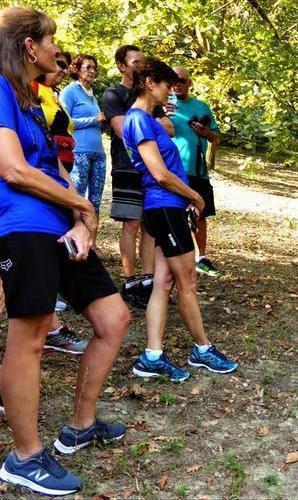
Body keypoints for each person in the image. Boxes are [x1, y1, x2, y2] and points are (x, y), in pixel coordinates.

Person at [0, 7, 131, 496]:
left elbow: (53, 169)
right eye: (52, 40)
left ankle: (80, 424)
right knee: (30, 335)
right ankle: (25, 456)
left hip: (61, 226)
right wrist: (84, 205)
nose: (59, 50)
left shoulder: (32, 99)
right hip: (21, 226)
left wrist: (82, 216)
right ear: (30, 46)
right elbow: (12, 169)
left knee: (114, 318)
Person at [122, 57, 237, 382]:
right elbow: (159, 174)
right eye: (165, 85)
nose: (170, 92)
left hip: (165, 208)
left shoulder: (147, 120)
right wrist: (194, 195)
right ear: (149, 83)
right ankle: (202, 350)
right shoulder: (140, 120)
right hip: (166, 208)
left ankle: (152, 356)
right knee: (187, 281)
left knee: (164, 282)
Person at [102, 45, 173, 309]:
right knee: (131, 224)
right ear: (121, 65)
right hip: (127, 167)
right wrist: (151, 123)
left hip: (150, 169)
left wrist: (150, 123)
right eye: (135, 62)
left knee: (149, 226)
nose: (140, 66)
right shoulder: (113, 94)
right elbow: (123, 131)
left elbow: (171, 128)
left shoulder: (148, 97)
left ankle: (148, 279)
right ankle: (129, 280)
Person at [32, 50, 89, 355]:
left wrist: (75, 200)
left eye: (65, 65)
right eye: (59, 63)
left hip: (57, 177)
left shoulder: (52, 98)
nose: (62, 69)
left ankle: (51, 327)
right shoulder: (24, 93)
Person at [171, 66, 222, 277]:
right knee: (173, 213)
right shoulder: (162, 104)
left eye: (182, 80)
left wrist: (206, 132)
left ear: (189, 83)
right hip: (171, 170)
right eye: (173, 80)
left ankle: (200, 258)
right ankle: (174, 256)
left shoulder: (201, 106)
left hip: (197, 170)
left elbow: (217, 139)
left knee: (200, 214)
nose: (178, 83)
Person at [59, 54, 107, 243]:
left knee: (95, 199)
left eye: (94, 68)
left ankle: (92, 243)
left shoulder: (92, 95)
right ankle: (73, 239)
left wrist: (102, 123)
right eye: (87, 67)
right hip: (79, 152)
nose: (92, 71)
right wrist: (93, 120)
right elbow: (64, 120)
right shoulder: (70, 91)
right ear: (76, 69)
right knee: (77, 198)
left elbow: (97, 123)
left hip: (98, 153)